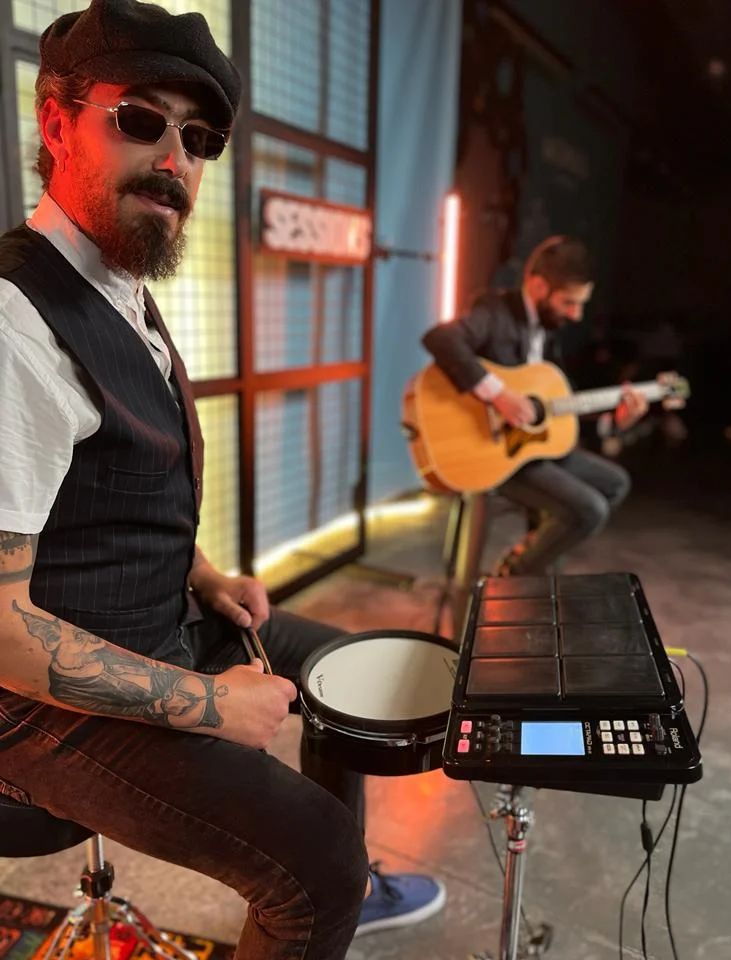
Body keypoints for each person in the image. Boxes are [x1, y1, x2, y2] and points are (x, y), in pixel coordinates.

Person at [0, 3, 444, 958]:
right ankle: (330, 898)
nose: (176, 159)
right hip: (33, 710)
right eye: (141, 120)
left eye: (200, 140)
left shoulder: (121, 291)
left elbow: (108, 493)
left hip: (151, 620)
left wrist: (206, 578)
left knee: (346, 677)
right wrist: (210, 704)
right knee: (318, 859)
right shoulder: (13, 323)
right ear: (56, 122)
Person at [422, 236, 649, 575]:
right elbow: (441, 338)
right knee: (590, 510)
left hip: (533, 448)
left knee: (615, 483)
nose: (576, 315)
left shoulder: (546, 329)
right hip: (495, 453)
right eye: (569, 302)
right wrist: (499, 394)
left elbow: (556, 406)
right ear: (538, 286)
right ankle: (511, 576)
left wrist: (615, 420)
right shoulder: (495, 311)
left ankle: (532, 553)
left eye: (580, 304)